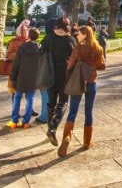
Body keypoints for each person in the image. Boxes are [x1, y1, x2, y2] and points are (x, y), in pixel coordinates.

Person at [57, 25, 106, 157]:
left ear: (85, 34)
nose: (77, 35)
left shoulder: (78, 48)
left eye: (79, 34)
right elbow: (102, 66)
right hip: (91, 82)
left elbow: (70, 65)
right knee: (88, 111)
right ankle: (87, 141)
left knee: (73, 110)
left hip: (78, 81)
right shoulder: (98, 49)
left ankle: (67, 137)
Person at [44, 16, 76, 146]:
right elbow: (75, 58)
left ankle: (49, 128)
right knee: (63, 102)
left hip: (50, 74)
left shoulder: (49, 39)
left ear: (56, 27)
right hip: (64, 76)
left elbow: (41, 53)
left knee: (51, 103)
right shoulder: (70, 40)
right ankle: (53, 128)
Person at [7, 28, 41, 129]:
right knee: (30, 99)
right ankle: (26, 121)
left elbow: (16, 64)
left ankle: (14, 121)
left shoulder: (22, 48)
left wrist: (13, 77)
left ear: (29, 36)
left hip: (21, 76)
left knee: (17, 98)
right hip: (33, 77)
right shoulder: (39, 49)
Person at [5, 21, 29, 95]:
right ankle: (15, 106)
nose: (25, 32)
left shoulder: (29, 41)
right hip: (15, 69)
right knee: (15, 92)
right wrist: (18, 55)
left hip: (27, 70)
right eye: (22, 31)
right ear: (19, 31)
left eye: (26, 31)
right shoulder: (13, 42)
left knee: (28, 92)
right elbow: (8, 55)